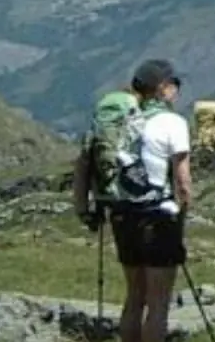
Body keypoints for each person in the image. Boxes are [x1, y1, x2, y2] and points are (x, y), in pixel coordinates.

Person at [71, 59, 193, 342]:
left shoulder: (116, 121)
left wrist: (83, 209)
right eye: (174, 84)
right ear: (162, 88)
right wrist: (182, 213)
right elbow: (183, 181)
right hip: (159, 217)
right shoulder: (172, 122)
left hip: (122, 215)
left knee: (135, 296)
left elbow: (82, 165)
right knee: (158, 302)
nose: (177, 90)